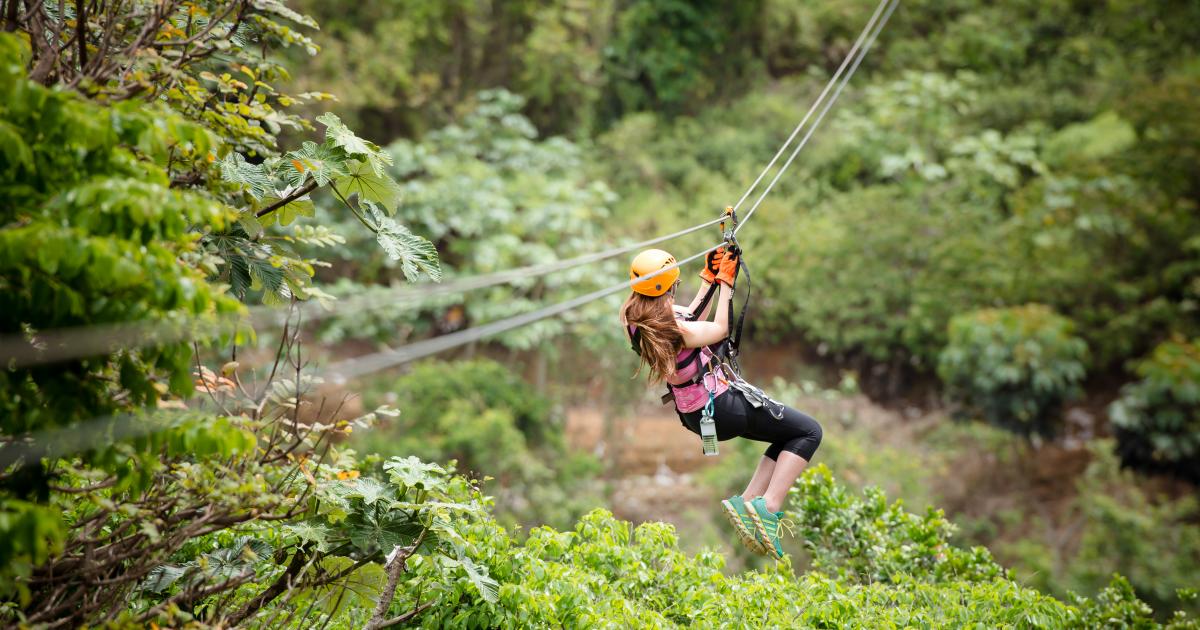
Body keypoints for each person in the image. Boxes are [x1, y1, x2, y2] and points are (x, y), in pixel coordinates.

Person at [620, 247, 822, 558]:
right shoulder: (673, 327)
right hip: (720, 407)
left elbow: (687, 320)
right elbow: (717, 330)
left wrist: (710, 278)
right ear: (668, 287)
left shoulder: (635, 320)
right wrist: (727, 284)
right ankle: (768, 506)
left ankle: (749, 500)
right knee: (809, 432)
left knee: (786, 435)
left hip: (694, 412)